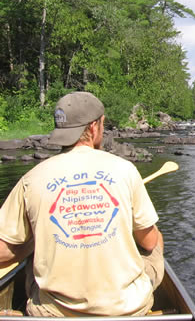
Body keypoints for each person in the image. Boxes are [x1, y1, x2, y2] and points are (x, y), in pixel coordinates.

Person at [0, 91, 164, 316]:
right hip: (127, 309)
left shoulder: (31, 179)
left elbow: (3, 255)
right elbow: (149, 241)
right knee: (156, 240)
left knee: (32, 255)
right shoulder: (126, 170)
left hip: (53, 313)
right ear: (95, 126)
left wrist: (34, 240)